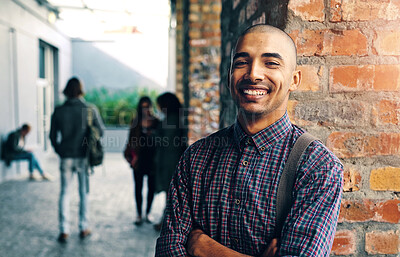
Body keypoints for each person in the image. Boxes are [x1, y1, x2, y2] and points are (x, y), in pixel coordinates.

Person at [155, 24, 343, 256]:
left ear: (294, 80)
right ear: (229, 76)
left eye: (271, 63)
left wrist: (204, 248)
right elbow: (167, 250)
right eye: (242, 62)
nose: (253, 74)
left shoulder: (317, 166)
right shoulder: (196, 158)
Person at [50, 77, 104, 243]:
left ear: (66, 90)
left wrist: (60, 151)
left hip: (66, 156)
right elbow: (100, 131)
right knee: (83, 193)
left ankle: (64, 229)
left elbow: (52, 136)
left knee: (64, 192)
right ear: (81, 90)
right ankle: (83, 227)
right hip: (83, 156)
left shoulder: (59, 111)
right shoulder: (89, 109)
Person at [153, 92, 187, 231]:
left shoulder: (171, 120)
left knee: (170, 193)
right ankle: (165, 220)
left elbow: (166, 142)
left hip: (169, 161)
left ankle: (166, 222)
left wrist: (152, 133)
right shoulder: (176, 118)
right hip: (173, 159)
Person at [124, 96, 159, 225]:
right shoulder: (135, 122)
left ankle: (148, 212)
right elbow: (130, 140)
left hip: (152, 160)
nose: (145, 109)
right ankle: (139, 214)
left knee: (151, 187)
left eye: (147, 106)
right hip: (139, 160)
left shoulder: (156, 122)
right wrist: (130, 157)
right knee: (138, 187)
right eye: (143, 107)